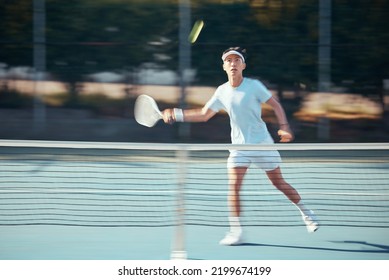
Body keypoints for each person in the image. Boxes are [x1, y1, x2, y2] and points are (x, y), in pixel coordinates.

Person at [162, 47, 319, 246]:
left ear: (243, 65)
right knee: (234, 187)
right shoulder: (221, 91)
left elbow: (276, 105)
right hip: (238, 147)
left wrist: (284, 127)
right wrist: (176, 114)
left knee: (278, 183)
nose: (233, 63)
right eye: (229, 61)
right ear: (224, 67)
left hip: (262, 144)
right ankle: (237, 232)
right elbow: (204, 114)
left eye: (237, 60)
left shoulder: (254, 86)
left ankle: (307, 213)